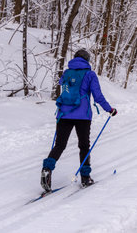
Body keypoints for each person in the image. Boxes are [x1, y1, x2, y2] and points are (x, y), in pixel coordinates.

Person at [41, 49, 117, 190]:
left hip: (64, 114)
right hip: (82, 116)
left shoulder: (67, 73)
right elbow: (98, 96)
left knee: (59, 145)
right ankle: (85, 178)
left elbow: (63, 90)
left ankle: (47, 169)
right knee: (84, 146)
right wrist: (109, 109)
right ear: (87, 60)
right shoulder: (90, 74)